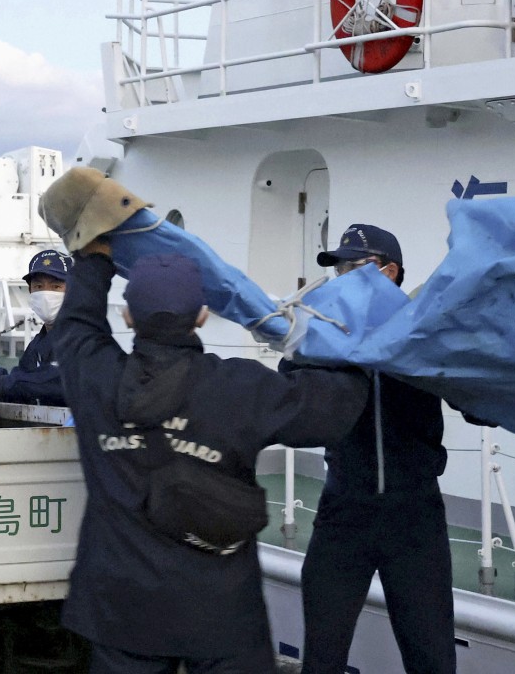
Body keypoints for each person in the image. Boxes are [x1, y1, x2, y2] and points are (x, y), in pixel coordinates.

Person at [54, 240, 370, 674]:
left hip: (120, 608)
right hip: (222, 612)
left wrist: (94, 257)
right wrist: (340, 343)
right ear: (202, 316)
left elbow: (76, 322)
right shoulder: (240, 388)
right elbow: (333, 409)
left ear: (127, 317)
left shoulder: (95, 375)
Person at [284, 224, 456, 674]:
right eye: (339, 269)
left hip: (414, 519)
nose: (343, 278)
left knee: (433, 661)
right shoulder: (323, 338)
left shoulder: (427, 333)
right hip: (343, 513)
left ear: (391, 272)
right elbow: (289, 397)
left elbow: (481, 402)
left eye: (354, 268)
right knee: (321, 660)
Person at [0, 249, 73, 411]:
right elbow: (24, 379)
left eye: (56, 286)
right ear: (30, 291)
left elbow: (61, 380)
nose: (46, 294)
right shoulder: (38, 344)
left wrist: (9, 383)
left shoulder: (83, 337)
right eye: (38, 286)